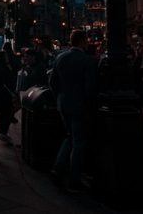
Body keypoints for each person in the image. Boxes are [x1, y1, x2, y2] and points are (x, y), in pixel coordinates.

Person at [49, 30, 97, 193]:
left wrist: (59, 97)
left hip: (63, 104)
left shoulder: (60, 57)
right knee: (79, 142)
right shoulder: (87, 61)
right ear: (82, 41)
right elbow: (90, 88)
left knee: (69, 136)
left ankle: (58, 168)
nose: (88, 43)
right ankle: (74, 180)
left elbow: (52, 82)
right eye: (86, 40)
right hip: (79, 106)